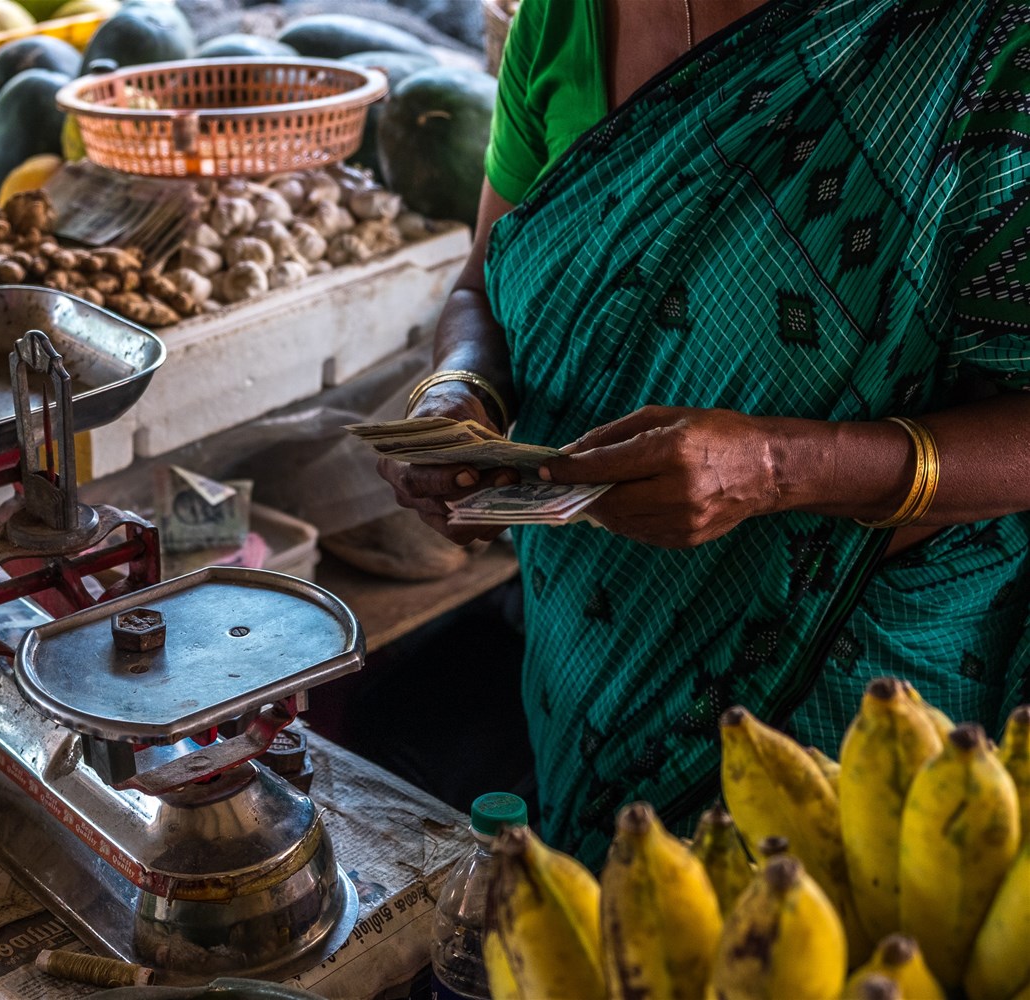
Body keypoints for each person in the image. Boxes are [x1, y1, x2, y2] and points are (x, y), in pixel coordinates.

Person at [378, 0, 1030, 865]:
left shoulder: (978, 47)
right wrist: (458, 395)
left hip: (853, 681)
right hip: (592, 651)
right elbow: (479, 285)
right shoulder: (563, 18)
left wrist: (774, 468)